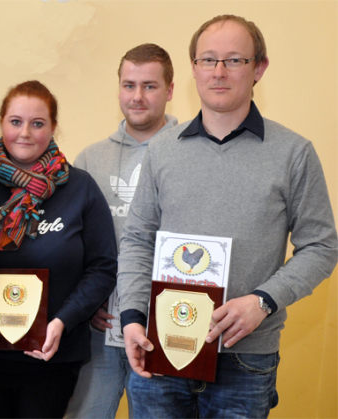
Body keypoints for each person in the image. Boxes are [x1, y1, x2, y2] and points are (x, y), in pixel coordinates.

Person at [118, 15, 337, 417]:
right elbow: (137, 240)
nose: (219, 72)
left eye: (234, 60)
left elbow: (321, 247)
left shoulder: (294, 153)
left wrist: (263, 301)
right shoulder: (162, 150)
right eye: (208, 59)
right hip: (161, 349)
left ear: (259, 68)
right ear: (194, 68)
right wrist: (131, 316)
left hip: (245, 359)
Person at [0, 80, 117, 418]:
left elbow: (102, 267)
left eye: (37, 123)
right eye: (16, 121)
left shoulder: (80, 188)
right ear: (1, 124)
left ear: (53, 127)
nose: (25, 133)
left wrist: (64, 321)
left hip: (52, 356)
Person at [65, 43, 177, 419]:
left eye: (149, 86)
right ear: (118, 90)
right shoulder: (90, 159)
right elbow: (72, 243)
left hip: (163, 327)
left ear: (170, 90)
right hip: (101, 326)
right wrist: (87, 303)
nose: (137, 96)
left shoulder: (188, 155)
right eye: (129, 85)